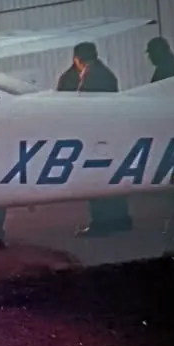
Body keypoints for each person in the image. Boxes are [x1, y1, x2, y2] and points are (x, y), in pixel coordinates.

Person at [55, 42, 133, 237]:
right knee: (112, 176)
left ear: (77, 59)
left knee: (97, 177)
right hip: (110, 132)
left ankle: (101, 222)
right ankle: (120, 219)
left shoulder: (88, 76)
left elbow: (79, 107)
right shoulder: (106, 73)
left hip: (94, 136)